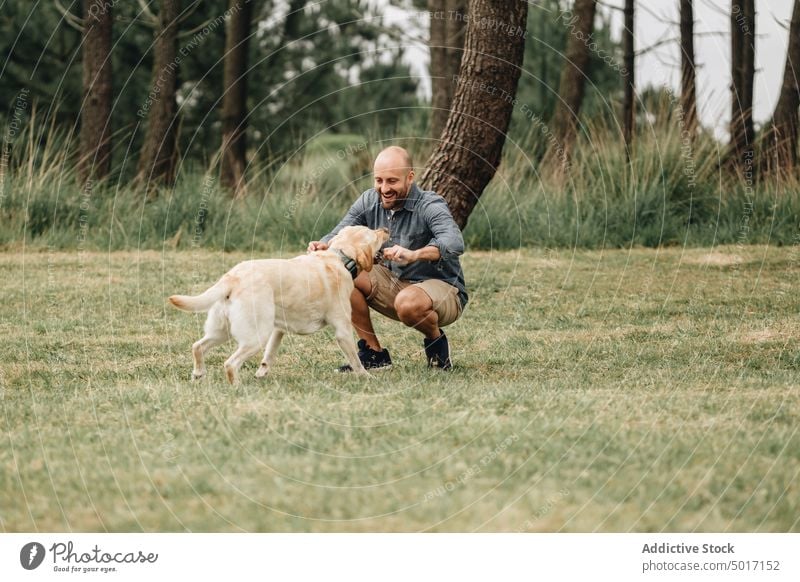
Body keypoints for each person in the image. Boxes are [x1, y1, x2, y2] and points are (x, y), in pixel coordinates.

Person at [307, 146, 467, 371]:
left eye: (392, 181)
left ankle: (436, 345)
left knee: (408, 303)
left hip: (443, 291)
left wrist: (414, 254)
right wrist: (323, 244)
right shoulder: (368, 201)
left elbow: (454, 242)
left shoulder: (430, 204)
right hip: (395, 285)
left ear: (410, 177)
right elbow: (339, 232)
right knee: (343, 272)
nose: (384, 188)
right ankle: (374, 355)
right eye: (379, 180)